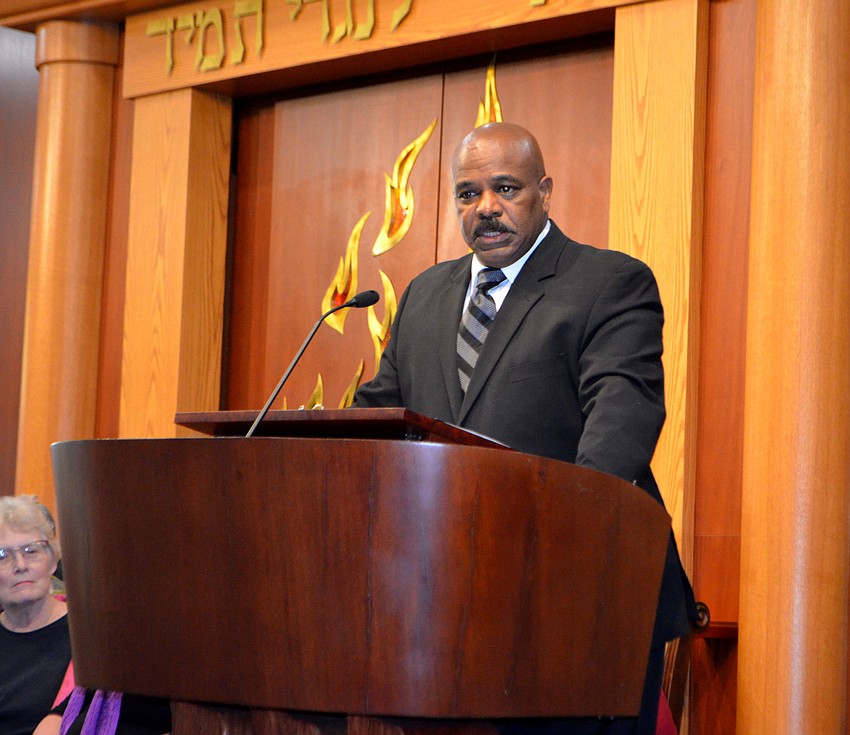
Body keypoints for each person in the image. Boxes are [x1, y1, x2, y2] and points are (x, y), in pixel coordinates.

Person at [353, 122, 697, 734]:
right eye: (467, 193)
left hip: (580, 595)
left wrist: (558, 539)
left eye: (505, 188)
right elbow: (383, 415)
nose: (485, 208)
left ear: (545, 191)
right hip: (444, 602)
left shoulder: (609, 284)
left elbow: (619, 421)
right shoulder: (427, 294)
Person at [0, 495, 74, 735]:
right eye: (3, 555)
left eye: (32, 550)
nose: (20, 565)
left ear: (53, 560)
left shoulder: (88, 635)